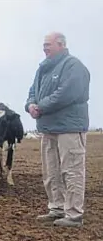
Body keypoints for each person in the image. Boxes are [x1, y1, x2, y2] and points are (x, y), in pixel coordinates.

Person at [24, 32, 90, 227]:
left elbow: (65, 94)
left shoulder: (73, 66)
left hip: (69, 127)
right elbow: (32, 92)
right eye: (44, 45)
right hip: (47, 127)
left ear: (61, 44)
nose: (44, 48)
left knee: (71, 170)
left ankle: (74, 214)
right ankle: (56, 208)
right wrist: (30, 105)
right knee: (51, 171)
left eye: (48, 44)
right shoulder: (42, 69)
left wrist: (40, 107)